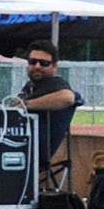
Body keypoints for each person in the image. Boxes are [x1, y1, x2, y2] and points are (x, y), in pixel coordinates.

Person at [17, 41, 82, 191]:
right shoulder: (29, 87)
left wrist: (26, 105)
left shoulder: (56, 84)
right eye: (33, 62)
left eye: (44, 63)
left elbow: (68, 98)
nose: (37, 66)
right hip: (16, 144)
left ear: (54, 67)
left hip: (34, 152)